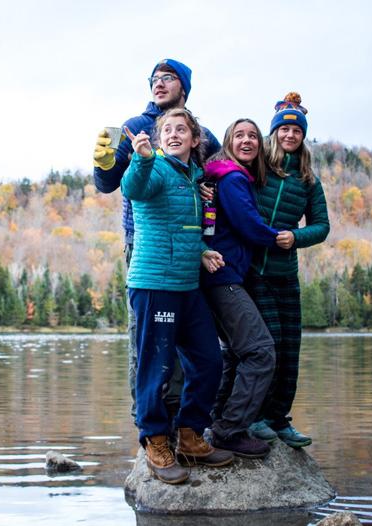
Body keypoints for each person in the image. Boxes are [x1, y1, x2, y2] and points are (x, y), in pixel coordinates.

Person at [92, 59, 220, 417]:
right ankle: (147, 423)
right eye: (154, 79)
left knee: (187, 343)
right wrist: (103, 163)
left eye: (168, 77)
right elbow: (108, 184)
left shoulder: (200, 132)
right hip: (145, 245)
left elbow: (219, 175)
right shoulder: (132, 127)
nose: (158, 83)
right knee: (147, 341)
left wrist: (211, 190)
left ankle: (183, 419)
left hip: (191, 247)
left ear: (184, 87)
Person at [121, 108, 233, 484]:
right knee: (157, 365)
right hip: (155, 285)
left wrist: (201, 249)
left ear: (194, 139)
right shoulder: (153, 168)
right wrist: (141, 157)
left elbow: (186, 226)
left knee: (209, 360)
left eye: (180, 129)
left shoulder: (194, 178)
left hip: (187, 285)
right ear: (158, 139)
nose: (173, 134)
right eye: (166, 130)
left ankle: (189, 436)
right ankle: (155, 440)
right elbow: (133, 189)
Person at [246, 93, 330, 448]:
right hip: (254, 270)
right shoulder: (260, 166)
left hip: (285, 273)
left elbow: (322, 226)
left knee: (290, 349)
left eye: (296, 130)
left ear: (303, 135)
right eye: (285, 128)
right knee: (268, 346)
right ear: (275, 132)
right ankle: (256, 417)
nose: (290, 135)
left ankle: (280, 420)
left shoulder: (309, 180)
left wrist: (294, 237)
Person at [199, 118, 280, 459]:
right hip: (222, 277)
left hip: (218, 276)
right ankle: (229, 431)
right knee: (260, 351)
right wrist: (280, 238)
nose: (247, 141)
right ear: (228, 142)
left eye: (253, 136)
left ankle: (219, 420)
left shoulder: (224, 177)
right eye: (239, 135)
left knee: (235, 351)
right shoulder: (232, 178)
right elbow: (249, 225)